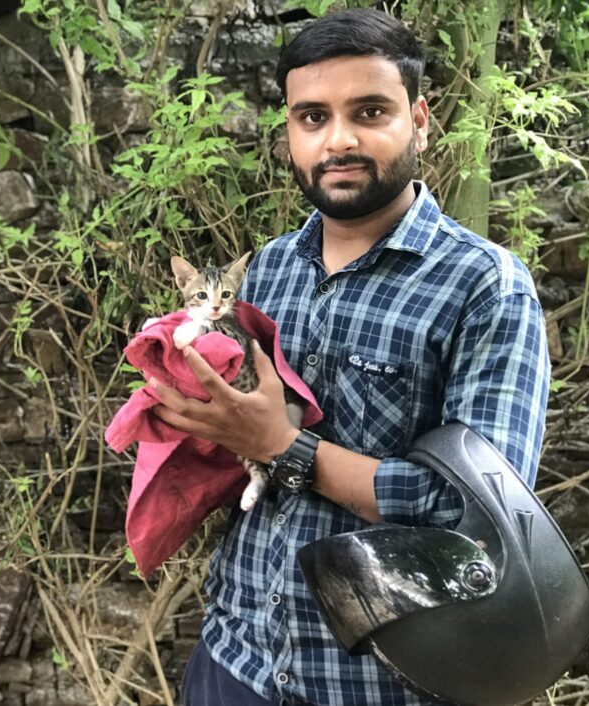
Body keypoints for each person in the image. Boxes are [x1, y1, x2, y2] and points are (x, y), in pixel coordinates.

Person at [148, 7, 551, 706]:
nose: (338, 139)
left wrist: (283, 445)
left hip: (379, 685)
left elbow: (483, 521)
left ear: (419, 120)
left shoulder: (485, 285)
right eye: (311, 117)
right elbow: (236, 445)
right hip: (234, 656)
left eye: (369, 111)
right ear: (289, 134)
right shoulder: (269, 268)